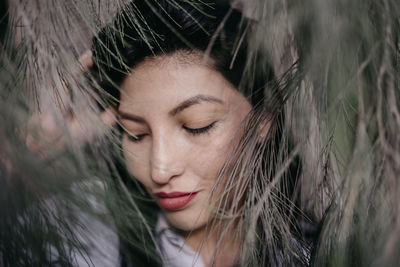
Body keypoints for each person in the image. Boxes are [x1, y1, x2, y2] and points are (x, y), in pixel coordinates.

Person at [91, 1, 313, 267]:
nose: (159, 171)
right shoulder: (81, 240)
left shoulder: (322, 253)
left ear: (264, 119)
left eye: (197, 126)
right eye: (135, 133)